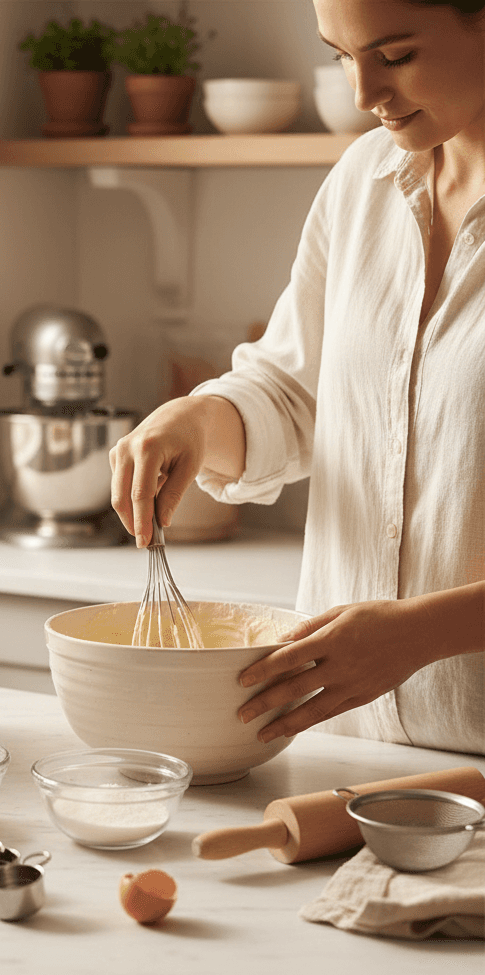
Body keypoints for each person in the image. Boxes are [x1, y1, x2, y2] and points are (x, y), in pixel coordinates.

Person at [109, 0, 485, 756]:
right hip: (346, 749)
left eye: (397, 55)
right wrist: (196, 418)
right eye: (342, 56)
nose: (362, 93)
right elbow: (293, 391)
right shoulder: (361, 181)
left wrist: (421, 634)